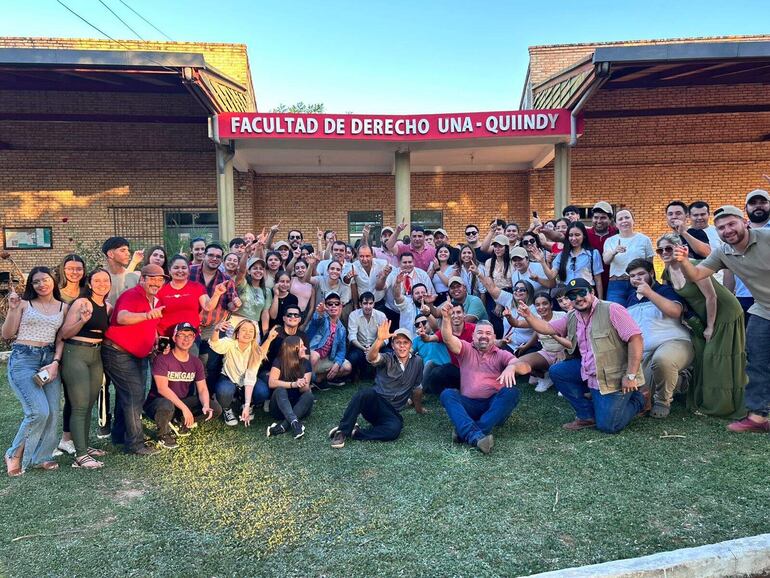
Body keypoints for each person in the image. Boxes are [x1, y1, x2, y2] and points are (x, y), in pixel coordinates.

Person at [673, 204, 770, 432]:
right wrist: (685, 261)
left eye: (731, 224)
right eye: (721, 227)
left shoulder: (766, 237)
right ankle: (758, 417)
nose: (727, 230)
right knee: (757, 362)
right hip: (764, 309)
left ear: (744, 222)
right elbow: (697, 274)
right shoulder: (723, 252)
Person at [518, 278, 648, 433]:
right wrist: (528, 316)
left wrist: (631, 375)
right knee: (557, 371)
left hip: (614, 376)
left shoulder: (612, 309)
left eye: (582, 292)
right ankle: (587, 416)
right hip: (589, 371)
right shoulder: (573, 316)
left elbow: (636, 339)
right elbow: (546, 328)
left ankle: (640, 398)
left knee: (609, 426)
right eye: (573, 296)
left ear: (592, 292)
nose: (578, 298)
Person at [438, 304, 531, 454]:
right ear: (473, 336)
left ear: (494, 338)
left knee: (511, 392)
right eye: (480, 332)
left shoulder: (501, 354)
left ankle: (465, 432)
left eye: (488, 333)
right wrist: (446, 318)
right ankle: (476, 436)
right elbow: (448, 339)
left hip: (492, 406)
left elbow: (526, 367)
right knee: (447, 394)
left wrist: (512, 367)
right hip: (468, 405)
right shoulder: (466, 349)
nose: (484, 336)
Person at [3, 267, 67, 476]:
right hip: (24, 358)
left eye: (45, 279)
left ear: (53, 281)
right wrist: (12, 309)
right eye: (36, 281)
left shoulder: (63, 307)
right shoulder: (23, 304)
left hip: (49, 361)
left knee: (52, 412)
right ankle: (14, 453)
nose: (41, 284)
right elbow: (7, 334)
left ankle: (41, 456)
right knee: (38, 411)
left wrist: (56, 362)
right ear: (31, 285)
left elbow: (61, 338)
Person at [102, 264, 169, 456]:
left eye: (160, 279)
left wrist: (154, 340)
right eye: (152, 278)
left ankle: (119, 435)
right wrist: (147, 315)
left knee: (131, 395)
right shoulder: (132, 295)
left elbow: (149, 326)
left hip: (139, 354)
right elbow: (122, 317)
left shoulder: (154, 300)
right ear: (142, 279)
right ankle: (136, 443)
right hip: (118, 351)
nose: (156, 282)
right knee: (134, 396)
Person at [330, 320, 425, 448]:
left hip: (392, 411)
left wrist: (418, 408)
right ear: (392, 345)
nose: (402, 346)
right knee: (365, 393)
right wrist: (379, 340)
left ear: (410, 345)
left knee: (394, 430)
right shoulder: (387, 358)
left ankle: (356, 433)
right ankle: (342, 430)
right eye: (398, 343)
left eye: (405, 343)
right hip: (376, 403)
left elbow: (417, 388)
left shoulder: (418, 361)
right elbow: (371, 357)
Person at [625, 259, 695, 418]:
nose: (637, 278)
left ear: (651, 273)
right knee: (640, 392)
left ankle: (663, 401)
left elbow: (675, 312)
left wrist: (649, 292)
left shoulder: (665, 290)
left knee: (663, 360)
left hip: (674, 343)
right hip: (644, 352)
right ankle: (679, 380)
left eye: (641, 273)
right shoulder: (630, 299)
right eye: (632, 275)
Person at [58, 268, 112, 468]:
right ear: (89, 283)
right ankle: (80, 456)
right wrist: (82, 320)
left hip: (96, 356)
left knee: (89, 404)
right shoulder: (82, 303)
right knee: (79, 405)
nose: (101, 284)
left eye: (105, 280)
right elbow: (64, 333)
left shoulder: (108, 306)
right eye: (97, 280)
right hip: (76, 354)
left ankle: (84, 446)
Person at [144, 322, 222, 449]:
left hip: (181, 402)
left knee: (215, 408)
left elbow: (202, 388)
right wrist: (185, 409)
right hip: (158, 402)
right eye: (182, 335)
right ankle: (163, 434)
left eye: (190, 335)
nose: (186, 339)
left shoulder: (196, 362)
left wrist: (206, 405)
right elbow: (162, 388)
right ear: (174, 338)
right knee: (166, 404)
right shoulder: (162, 359)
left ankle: (178, 422)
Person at [500, 291, 570, 393]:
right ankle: (545, 377)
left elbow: (571, 337)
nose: (541, 307)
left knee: (562, 384)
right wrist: (509, 317)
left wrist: (563, 351)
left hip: (565, 353)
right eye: (537, 305)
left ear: (551, 304)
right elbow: (518, 323)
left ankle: (565, 382)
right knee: (518, 362)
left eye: (544, 303)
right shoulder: (535, 319)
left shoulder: (562, 315)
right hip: (546, 353)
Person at [52, 253, 86, 457]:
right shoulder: (56, 293)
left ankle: (67, 439)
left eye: (79, 268)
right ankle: (59, 439)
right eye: (71, 268)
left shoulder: (87, 291)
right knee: (58, 397)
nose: (75, 272)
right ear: (63, 269)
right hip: (59, 347)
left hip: (82, 349)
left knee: (75, 397)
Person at [211, 319, 275, 426]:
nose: (247, 333)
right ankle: (227, 408)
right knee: (224, 390)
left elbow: (250, 378)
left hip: (245, 382)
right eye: (244, 330)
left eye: (251, 331)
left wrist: (246, 405)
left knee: (262, 391)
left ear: (254, 335)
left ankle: (246, 404)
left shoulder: (255, 350)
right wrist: (216, 330)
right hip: (229, 378)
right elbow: (215, 344)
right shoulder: (229, 343)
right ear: (237, 333)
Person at [156, 255, 225, 343]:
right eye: (176, 267)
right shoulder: (161, 290)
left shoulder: (197, 287)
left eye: (184, 268)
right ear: (169, 271)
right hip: (166, 338)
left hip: (190, 338)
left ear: (188, 271)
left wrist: (217, 294)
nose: (180, 271)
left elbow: (208, 307)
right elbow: (154, 316)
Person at [418, 300, 475, 395]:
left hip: (473, 369)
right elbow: (430, 338)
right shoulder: (446, 331)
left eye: (458, 312)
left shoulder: (474, 328)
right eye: (452, 313)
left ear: (464, 314)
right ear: (448, 315)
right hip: (456, 369)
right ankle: (421, 393)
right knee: (435, 372)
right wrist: (424, 336)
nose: (455, 315)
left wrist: (500, 342)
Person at [264, 336, 314, 439]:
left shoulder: (306, 363)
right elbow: (272, 382)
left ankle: (285, 426)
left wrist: (304, 384)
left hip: (298, 407)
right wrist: (293, 384)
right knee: (280, 390)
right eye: (301, 346)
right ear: (292, 349)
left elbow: (303, 390)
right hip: (279, 407)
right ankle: (294, 423)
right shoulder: (279, 361)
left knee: (309, 395)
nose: (305, 348)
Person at [602, 209, 654, 304]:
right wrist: (614, 251)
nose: (624, 221)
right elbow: (606, 260)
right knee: (616, 314)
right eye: (620, 219)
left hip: (639, 282)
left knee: (638, 313)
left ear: (633, 220)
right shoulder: (610, 241)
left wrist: (652, 284)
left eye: (627, 217)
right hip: (616, 284)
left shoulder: (644, 239)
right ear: (616, 224)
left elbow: (650, 264)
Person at [307, 292, 352, 387]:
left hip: (326, 359)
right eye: (330, 304)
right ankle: (307, 384)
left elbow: (342, 350)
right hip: (310, 358)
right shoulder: (322, 319)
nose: (333, 306)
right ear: (325, 306)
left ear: (341, 307)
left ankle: (319, 380)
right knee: (315, 355)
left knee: (347, 367)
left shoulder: (342, 329)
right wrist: (319, 313)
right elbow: (316, 320)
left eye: (336, 303)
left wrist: (337, 364)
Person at [549, 221, 604, 298]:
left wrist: (600, 300)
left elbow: (598, 280)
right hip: (567, 294)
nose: (573, 238)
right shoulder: (562, 255)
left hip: (586, 293)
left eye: (577, 235)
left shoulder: (593, 254)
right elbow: (551, 275)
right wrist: (542, 261)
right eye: (570, 235)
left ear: (584, 236)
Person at [347, 292, 387, 380]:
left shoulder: (381, 316)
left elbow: (385, 338)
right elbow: (352, 337)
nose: (368, 306)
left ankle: (382, 374)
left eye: (370, 303)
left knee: (389, 353)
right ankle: (355, 374)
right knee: (352, 357)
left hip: (376, 345)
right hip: (360, 346)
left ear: (374, 304)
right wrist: (365, 349)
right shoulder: (353, 315)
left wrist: (374, 348)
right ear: (360, 304)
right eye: (365, 303)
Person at [234, 252, 272, 335]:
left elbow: (265, 314)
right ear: (248, 271)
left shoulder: (267, 291)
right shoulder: (243, 284)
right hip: (236, 322)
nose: (258, 271)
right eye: (255, 268)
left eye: (261, 269)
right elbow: (241, 271)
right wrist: (246, 253)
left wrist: (265, 335)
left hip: (253, 325)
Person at [483, 234, 513, 336]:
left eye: (500, 246)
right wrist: (497, 302)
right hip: (493, 295)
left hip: (509, 294)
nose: (497, 249)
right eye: (495, 246)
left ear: (506, 247)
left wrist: (501, 303)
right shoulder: (489, 262)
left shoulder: (512, 262)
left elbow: (513, 282)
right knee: (494, 323)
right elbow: (489, 282)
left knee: (509, 323)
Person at [290, 259, 315, 327]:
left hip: (302, 315)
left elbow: (311, 308)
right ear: (294, 270)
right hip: (289, 313)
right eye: (297, 268)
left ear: (307, 269)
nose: (300, 270)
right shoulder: (291, 281)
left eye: (303, 267)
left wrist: (305, 323)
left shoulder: (311, 287)